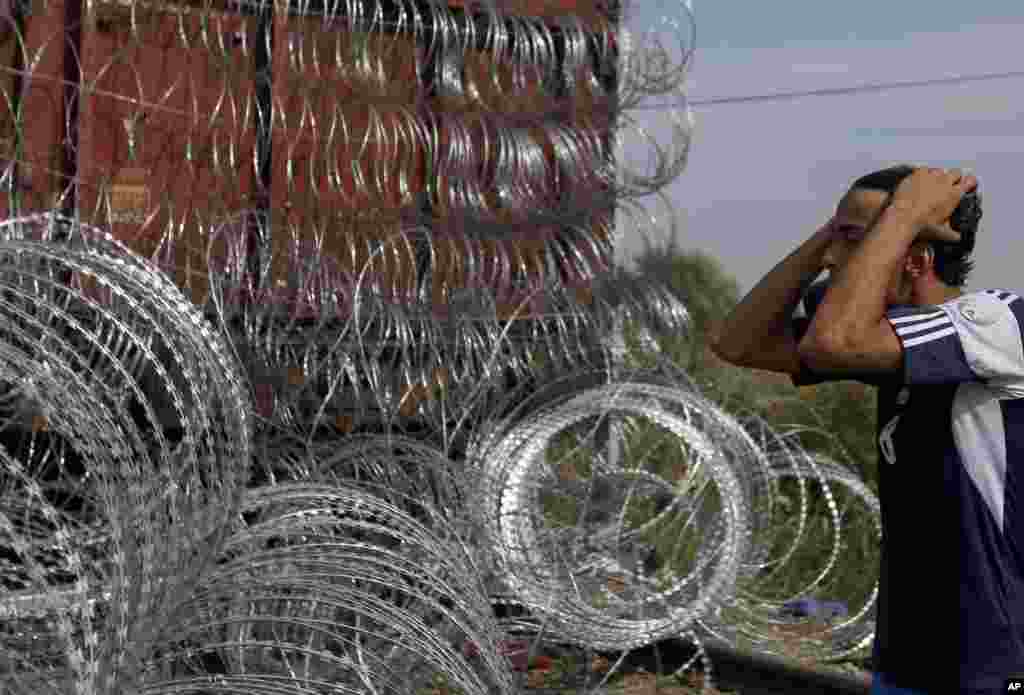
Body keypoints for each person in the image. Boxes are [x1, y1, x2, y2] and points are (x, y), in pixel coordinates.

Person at [711, 164, 1024, 695]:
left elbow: (833, 343)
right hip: (909, 660)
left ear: (917, 258)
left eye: (856, 241)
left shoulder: (997, 324)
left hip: (997, 664)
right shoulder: (888, 345)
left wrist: (901, 214)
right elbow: (736, 342)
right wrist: (833, 234)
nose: (832, 261)